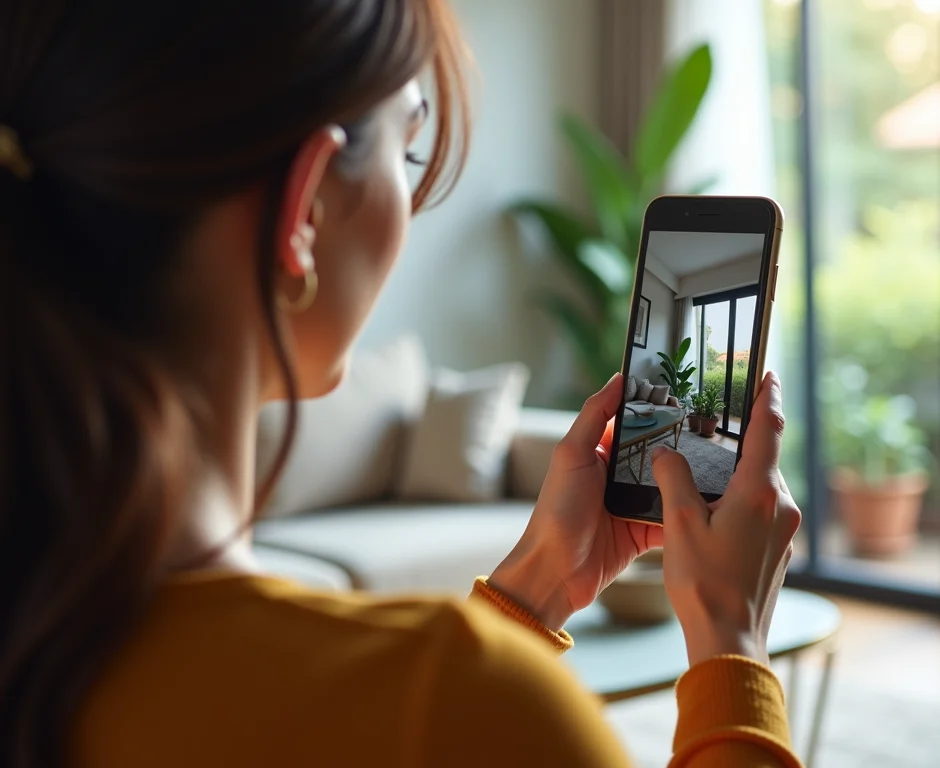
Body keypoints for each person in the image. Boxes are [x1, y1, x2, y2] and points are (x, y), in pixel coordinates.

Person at [0, 1, 804, 766]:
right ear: (306, 207)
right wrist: (732, 642)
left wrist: (542, 581)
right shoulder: (461, 706)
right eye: (408, 148)